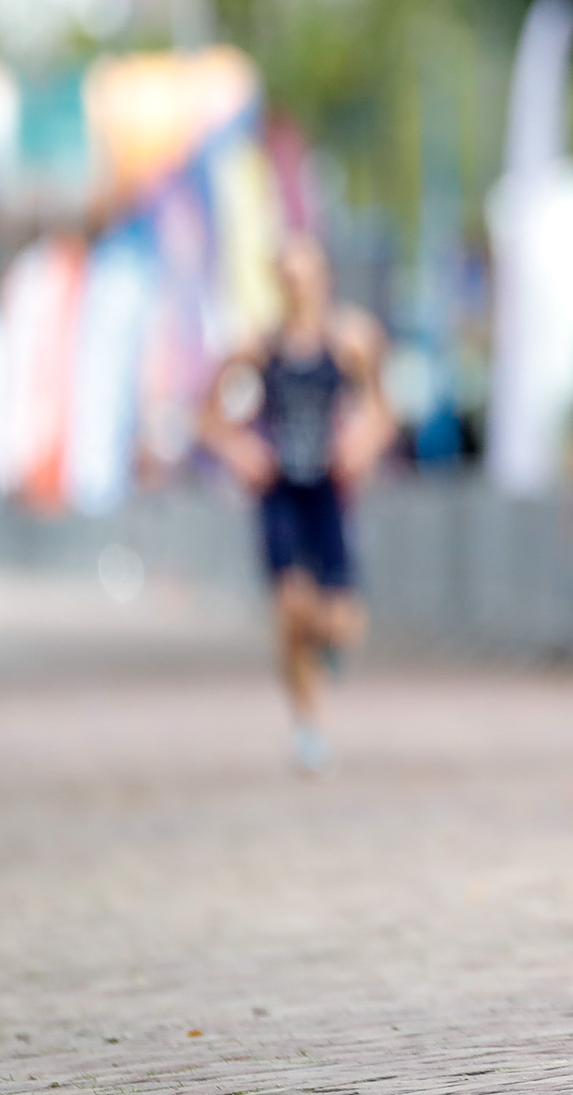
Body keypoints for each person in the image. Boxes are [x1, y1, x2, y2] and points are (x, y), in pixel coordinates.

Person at [201, 235, 395, 774]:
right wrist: (240, 450)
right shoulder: (257, 348)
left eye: (304, 275)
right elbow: (209, 419)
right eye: (286, 277)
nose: (296, 286)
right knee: (289, 612)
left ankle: (327, 649)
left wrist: (363, 445)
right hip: (281, 490)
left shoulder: (352, 340)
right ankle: (308, 726)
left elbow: (383, 410)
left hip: (329, 491)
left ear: (322, 277)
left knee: (341, 623)